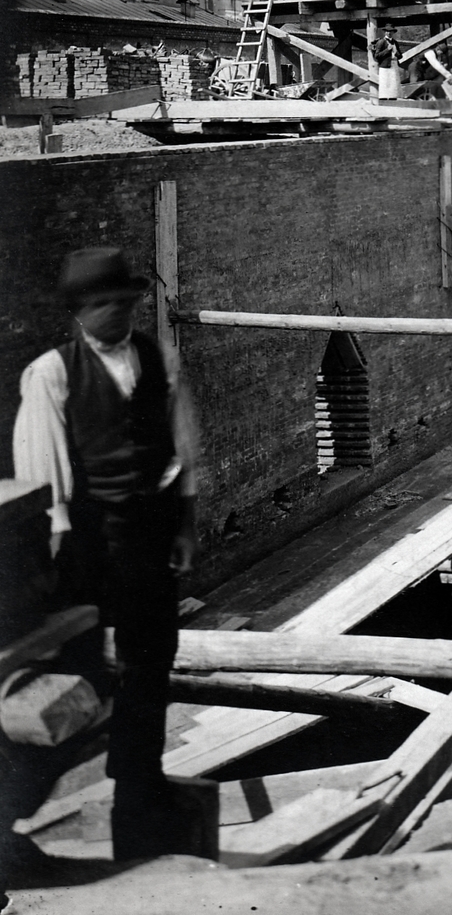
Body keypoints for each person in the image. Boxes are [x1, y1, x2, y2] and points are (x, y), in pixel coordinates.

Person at [11, 248, 201, 860]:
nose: (117, 313)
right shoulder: (52, 373)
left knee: (151, 660)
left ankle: (138, 793)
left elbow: (181, 443)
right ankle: (14, 818)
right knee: (79, 676)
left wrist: (183, 523)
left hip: (149, 531)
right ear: (77, 313)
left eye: (124, 301)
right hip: (89, 541)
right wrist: (61, 550)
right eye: (102, 304)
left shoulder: (155, 355)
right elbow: (44, 472)